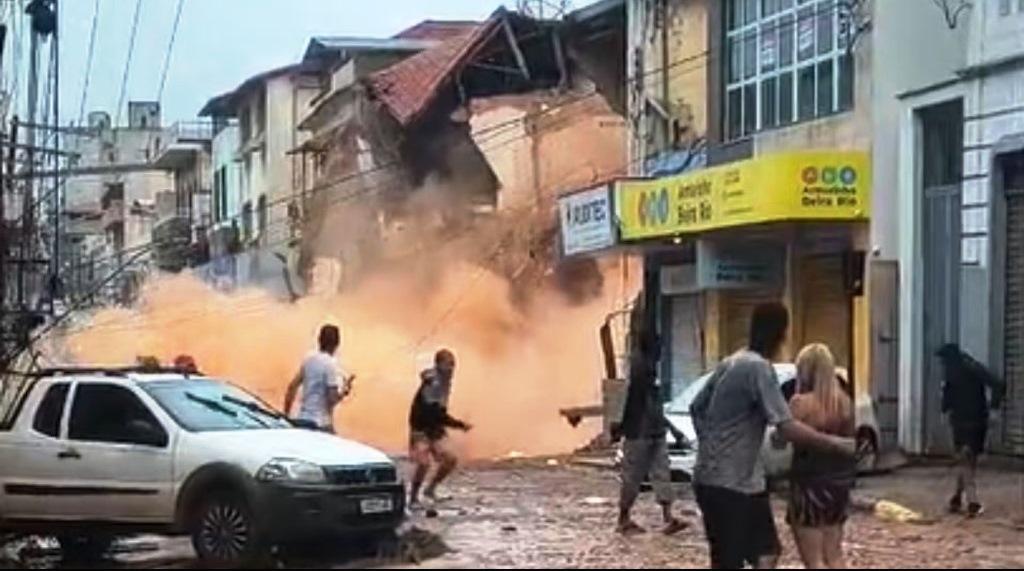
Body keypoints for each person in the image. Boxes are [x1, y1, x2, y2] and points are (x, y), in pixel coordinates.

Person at [690, 302, 857, 570]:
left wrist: (712, 444)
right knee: (733, 558)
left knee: (766, 552)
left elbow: (696, 407)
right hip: (729, 484)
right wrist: (836, 444)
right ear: (781, 333)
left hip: (737, 481)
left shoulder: (731, 361)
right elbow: (786, 426)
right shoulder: (758, 368)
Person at [787, 344, 856, 569]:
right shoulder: (845, 403)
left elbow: (783, 441)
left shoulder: (799, 403)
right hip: (838, 486)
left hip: (807, 486)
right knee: (834, 556)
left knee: (813, 561)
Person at [614, 329, 688, 536]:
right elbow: (635, 405)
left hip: (655, 432)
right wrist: (623, 429)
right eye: (658, 347)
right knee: (633, 477)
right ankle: (623, 518)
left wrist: (672, 429)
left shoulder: (649, 370)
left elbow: (655, 408)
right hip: (639, 433)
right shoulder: (640, 371)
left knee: (661, 473)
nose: (661, 351)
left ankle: (668, 517)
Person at [938, 343, 1004, 518]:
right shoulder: (972, 367)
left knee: (965, 459)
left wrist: (944, 411)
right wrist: (994, 409)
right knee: (968, 459)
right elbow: (997, 384)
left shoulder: (953, 372)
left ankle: (972, 501)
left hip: (962, 422)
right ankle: (957, 498)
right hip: (977, 420)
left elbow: (947, 397)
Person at [408, 349, 471, 508]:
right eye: (447, 365)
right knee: (423, 463)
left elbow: (440, 413)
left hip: (435, 428)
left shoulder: (445, 382)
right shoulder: (433, 382)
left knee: (450, 459)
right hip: (421, 428)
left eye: (452, 365)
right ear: (438, 365)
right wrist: (459, 425)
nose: (451, 369)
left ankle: (430, 490)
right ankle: (413, 498)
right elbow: (436, 413)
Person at [284, 324, 353, 433]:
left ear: (319, 340)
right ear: (337, 344)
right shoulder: (331, 365)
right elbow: (331, 400)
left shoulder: (309, 359)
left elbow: (292, 387)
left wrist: (286, 415)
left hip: (303, 418)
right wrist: (344, 391)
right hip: (320, 424)